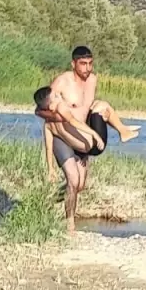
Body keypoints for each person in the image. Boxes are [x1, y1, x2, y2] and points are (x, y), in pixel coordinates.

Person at [49, 45, 140, 153]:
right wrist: (64, 116)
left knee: (101, 104)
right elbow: (42, 110)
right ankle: (122, 130)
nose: (88, 68)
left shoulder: (92, 79)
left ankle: (122, 130)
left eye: (90, 63)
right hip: (72, 132)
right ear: (73, 64)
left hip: (89, 132)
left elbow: (85, 109)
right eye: (83, 64)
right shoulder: (62, 81)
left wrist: (105, 118)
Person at [34, 84, 99, 231]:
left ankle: (53, 198)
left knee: (79, 186)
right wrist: (50, 168)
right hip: (62, 145)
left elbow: (79, 116)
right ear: (50, 106)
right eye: (56, 96)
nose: (60, 96)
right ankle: (70, 223)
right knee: (73, 180)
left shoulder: (65, 107)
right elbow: (49, 146)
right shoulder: (50, 122)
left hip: (78, 145)